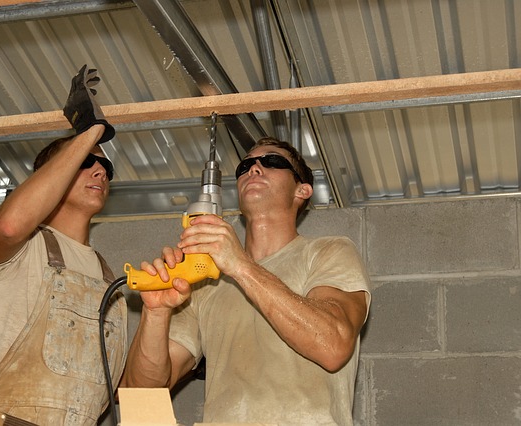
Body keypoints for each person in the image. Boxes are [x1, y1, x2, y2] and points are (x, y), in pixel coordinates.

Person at [121, 137, 371, 426]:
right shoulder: (204, 283)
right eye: (245, 165)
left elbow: (333, 346)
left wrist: (239, 265)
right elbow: (141, 393)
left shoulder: (328, 251)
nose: (254, 168)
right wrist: (156, 311)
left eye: (272, 161)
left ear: (302, 189)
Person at [0, 65, 127, 426]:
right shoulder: (24, 245)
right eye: (86, 161)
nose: (100, 172)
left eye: (106, 169)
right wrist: (89, 133)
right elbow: (10, 227)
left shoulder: (112, 282)